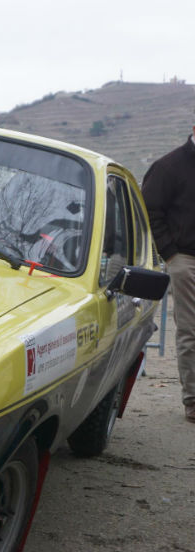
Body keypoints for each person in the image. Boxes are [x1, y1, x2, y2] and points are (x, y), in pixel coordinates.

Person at [142, 122, 195, 424]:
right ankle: (193, 400)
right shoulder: (169, 166)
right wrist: (170, 253)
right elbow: (149, 208)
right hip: (185, 259)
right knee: (190, 331)